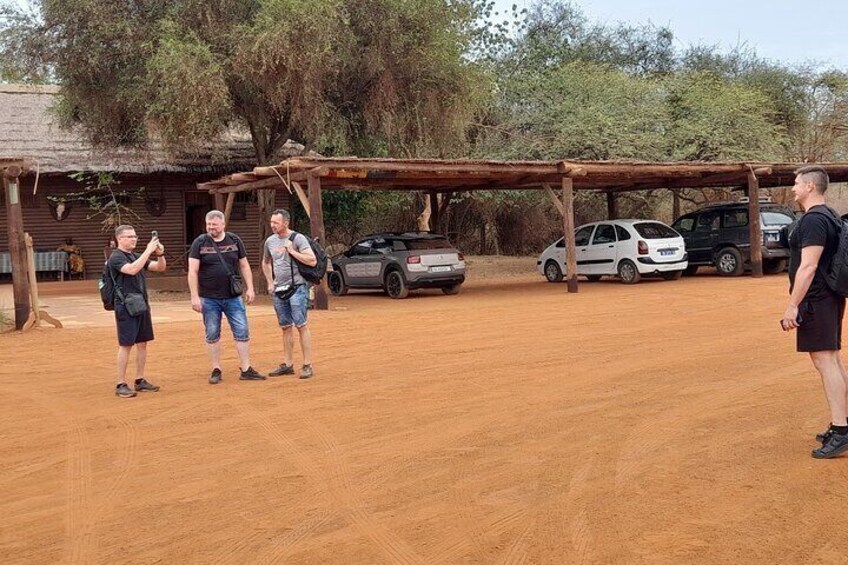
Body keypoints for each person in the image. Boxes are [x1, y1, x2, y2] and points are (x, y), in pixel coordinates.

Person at [781, 165, 848, 458]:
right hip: (829, 296)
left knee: (825, 361)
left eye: (797, 183)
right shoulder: (830, 215)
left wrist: (792, 305)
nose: (794, 188)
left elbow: (808, 266)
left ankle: (841, 429)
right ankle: (842, 424)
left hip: (817, 298)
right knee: (831, 359)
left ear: (810, 186)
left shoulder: (813, 221)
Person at [188, 210, 264, 384]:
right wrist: (194, 296)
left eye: (214, 225)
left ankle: (246, 368)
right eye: (209, 225)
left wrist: (250, 288)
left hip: (233, 296)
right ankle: (216, 368)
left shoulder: (235, 240)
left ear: (223, 224)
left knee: (242, 330)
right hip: (209, 297)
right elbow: (193, 271)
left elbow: (244, 265)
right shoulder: (199, 242)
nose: (211, 228)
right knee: (212, 332)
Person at [108, 225, 166, 398]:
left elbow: (159, 267)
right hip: (125, 306)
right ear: (119, 238)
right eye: (129, 237)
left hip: (140, 303)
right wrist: (148, 250)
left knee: (142, 342)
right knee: (126, 344)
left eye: (135, 236)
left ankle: (139, 380)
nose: (133, 239)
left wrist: (159, 254)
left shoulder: (134, 255)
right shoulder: (116, 257)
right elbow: (132, 270)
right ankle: (120, 383)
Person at [262, 209, 317, 379]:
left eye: (276, 223)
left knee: (301, 325)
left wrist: (292, 251)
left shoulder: (297, 239)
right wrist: (270, 282)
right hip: (279, 290)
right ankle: (287, 364)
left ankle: (307, 364)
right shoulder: (270, 241)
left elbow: (312, 259)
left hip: (298, 288)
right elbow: (266, 262)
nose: (272, 225)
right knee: (285, 327)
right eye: (271, 222)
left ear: (286, 223)